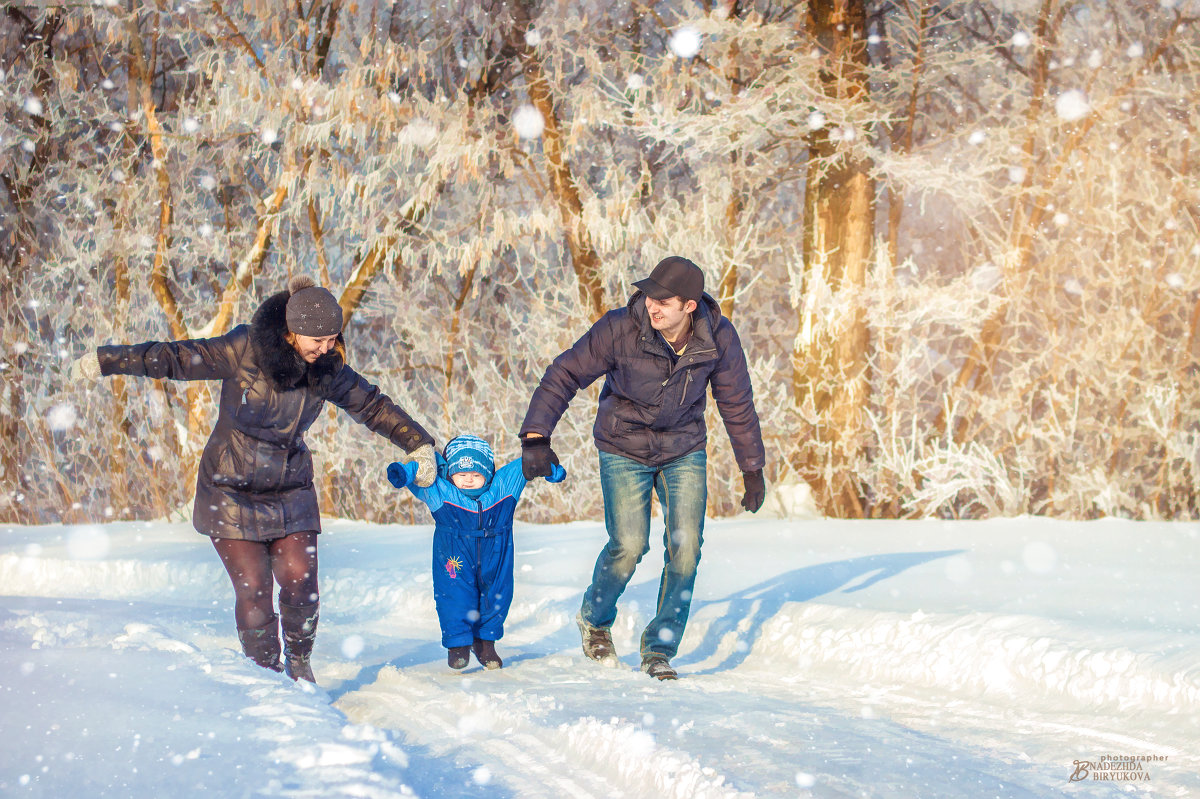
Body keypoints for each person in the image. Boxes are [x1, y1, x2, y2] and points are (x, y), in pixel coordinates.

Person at [68, 275, 438, 683]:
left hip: (289, 486)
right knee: (256, 591)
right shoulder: (243, 348)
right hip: (229, 488)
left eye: (333, 339)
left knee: (301, 582)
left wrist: (417, 444)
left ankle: (299, 664)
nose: (326, 348)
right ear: (290, 331)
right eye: (317, 340)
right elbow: (174, 357)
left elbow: (371, 405)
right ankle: (269, 679)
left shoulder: (328, 369)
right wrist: (108, 360)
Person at [519, 256, 766, 680]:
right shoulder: (621, 328)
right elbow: (565, 373)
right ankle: (595, 619)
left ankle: (659, 649)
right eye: (650, 296)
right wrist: (536, 435)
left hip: (682, 447)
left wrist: (752, 467)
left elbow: (736, 402)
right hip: (623, 445)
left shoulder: (717, 337)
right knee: (630, 545)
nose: (652, 306)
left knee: (686, 549)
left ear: (689, 306)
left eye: (664, 301)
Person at [386, 434, 566, 670]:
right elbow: (422, 472)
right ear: (451, 474)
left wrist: (548, 468)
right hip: (454, 552)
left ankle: (485, 642)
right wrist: (405, 472)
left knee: (498, 595)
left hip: (497, 552)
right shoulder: (442, 490)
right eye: (461, 475)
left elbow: (526, 466)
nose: (468, 480)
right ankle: (458, 643)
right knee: (455, 595)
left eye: (476, 475)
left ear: (488, 474)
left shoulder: (502, 487)